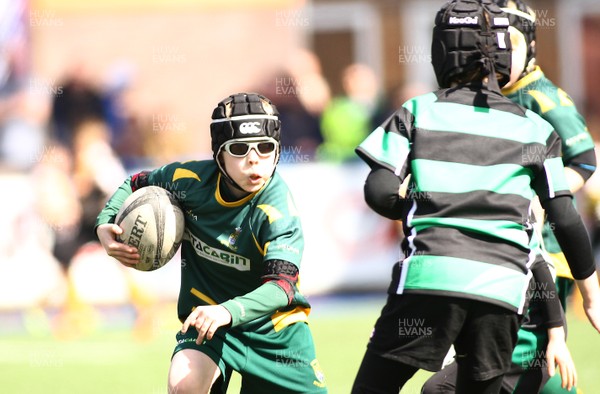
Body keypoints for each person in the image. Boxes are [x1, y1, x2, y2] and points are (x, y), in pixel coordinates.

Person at [350, 1, 600, 393]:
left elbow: (378, 190)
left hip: (428, 278)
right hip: (501, 291)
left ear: (441, 53)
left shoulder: (418, 111)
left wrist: (416, 208)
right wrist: (591, 294)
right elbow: (565, 218)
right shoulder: (535, 129)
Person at [95, 93, 327, 393]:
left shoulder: (278, 210)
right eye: (240, 149)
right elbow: (135, 182)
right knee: (184, 385)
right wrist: (105, 222)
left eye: (266, 147)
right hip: (207, 323)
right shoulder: (189, 181)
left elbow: (282, 286)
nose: (254, 158)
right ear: (219, 153)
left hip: (275, 333)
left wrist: (228, 311)